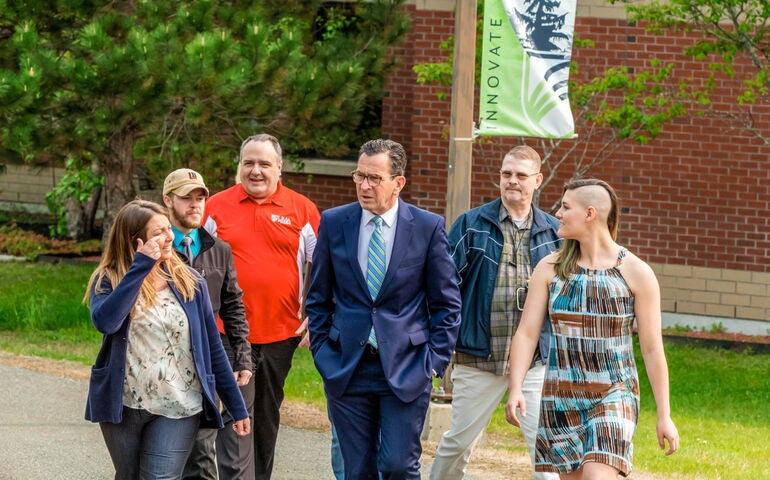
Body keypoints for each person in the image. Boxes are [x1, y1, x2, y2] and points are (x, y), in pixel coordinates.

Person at [306, 138, 462, 480]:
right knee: (356, 469)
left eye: (374, 178)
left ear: (398, 182)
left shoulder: (426, 227)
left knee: (397, 466)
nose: (364, 185)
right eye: (359, 176)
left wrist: (434, 363)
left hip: (407, 366)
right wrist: (322, 352)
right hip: (347, 366)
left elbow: (447, 304)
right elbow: (317, 297)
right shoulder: (334, 223)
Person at [505, 178, 679, 479]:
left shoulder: (637, 273)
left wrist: (664, 414)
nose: (557, 213)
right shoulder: (550, 268)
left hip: (615, 393)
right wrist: (516, 387)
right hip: (561, 397)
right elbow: (527, 333)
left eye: (565, 207)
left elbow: (652, 349)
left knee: (597, 475)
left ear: (590, 214)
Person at [83, 199, 250, 480]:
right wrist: (141, 267)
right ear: (135, 241)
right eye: (158, 232)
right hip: (124, 404)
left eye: (167, 228)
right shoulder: (109, 279)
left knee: (160, 477)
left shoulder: (190, 281)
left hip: (179, 404)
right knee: (129, 475)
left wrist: (236, 406)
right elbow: (107, 322)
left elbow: (212, 347)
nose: (169, 236)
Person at [431, 145, 561, 480]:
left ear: (537, 180)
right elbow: (443, 287)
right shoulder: (472, 225)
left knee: (544, 448)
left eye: (520, 175)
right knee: (458, 442)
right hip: (479, 355)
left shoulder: (553, 233)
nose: (512, 181)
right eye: (506, 174)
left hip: (534, 361)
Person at [204, 133, 320, 480]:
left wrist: (315, 314)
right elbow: (193, 261)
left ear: (279, 168)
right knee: (236, 413)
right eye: (248, 163)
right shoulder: (216, 208)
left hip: (279, 333)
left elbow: (326, 268)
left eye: (264, 164)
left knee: (266, 417)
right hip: (225, 332)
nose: (255, 171)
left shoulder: (303, 210)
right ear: (239, 166)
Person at [160, 168, 253, 480]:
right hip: (162, 364)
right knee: (165, 453)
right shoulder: (155, 249)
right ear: (167, 200)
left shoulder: (219, 250)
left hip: (206, 362)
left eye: (200, 198)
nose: (195, 204)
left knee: (201, 451)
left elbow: (234, 307)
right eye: (187, 198)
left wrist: (242, 357)